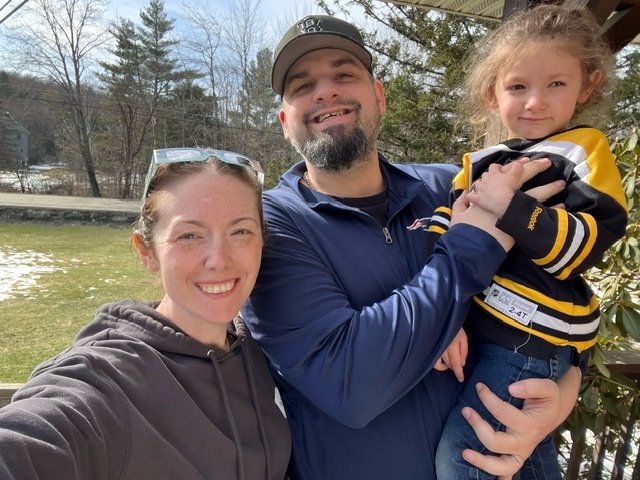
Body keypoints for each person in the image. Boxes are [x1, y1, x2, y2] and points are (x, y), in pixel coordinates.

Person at [241, 14, 581, 480]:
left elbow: (553, 291)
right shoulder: (270, 226)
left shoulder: (452, 185)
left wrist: (564, 392)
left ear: (378, 96)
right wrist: (475, 243)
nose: (324, 92)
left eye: (344, 74)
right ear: (284, 121)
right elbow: (351, 384)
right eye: (302, 86)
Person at [0, 148, 291, 480]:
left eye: (240, 231)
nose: (219, 260)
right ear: (147, 251)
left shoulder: (257, 354)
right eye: (190, 235)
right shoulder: (107, 381)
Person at [431, 6, 628, 479]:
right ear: (491, 94)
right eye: (518, 86)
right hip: (488, 326)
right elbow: (445, 225)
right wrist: (439, 309)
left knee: (464, 459)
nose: (535, 101)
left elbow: (588, 245)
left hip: (532, 336)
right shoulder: (480, 161)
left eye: (556, 84)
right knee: (526, 457)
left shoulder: (583, 152)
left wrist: (512, 208)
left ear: (587, 85)